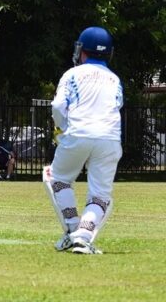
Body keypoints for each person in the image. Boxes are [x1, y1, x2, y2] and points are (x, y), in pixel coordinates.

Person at [44, 26, 122, 255]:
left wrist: (62, 127)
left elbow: (58, 106)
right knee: (100, 195)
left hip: (77, 134)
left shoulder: (72, 74)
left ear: (82, 50)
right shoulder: (114, 79)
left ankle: (71, 227)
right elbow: (116, 106)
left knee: (56, 178)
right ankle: (84, 236)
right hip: (109, 138)